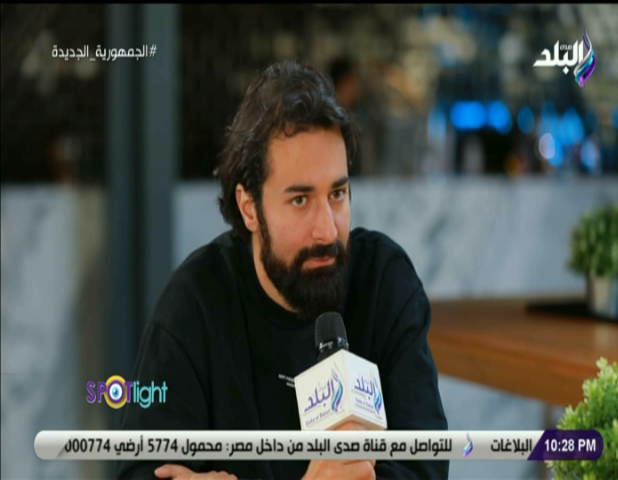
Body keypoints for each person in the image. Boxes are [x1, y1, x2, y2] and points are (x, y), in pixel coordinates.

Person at [115, 60, 449, 480]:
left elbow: (425, 464)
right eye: (300, 200)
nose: (327, 229)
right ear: (249, 207)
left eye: (338, 194)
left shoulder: (383, 281)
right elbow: (142, 471)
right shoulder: (195, 302)